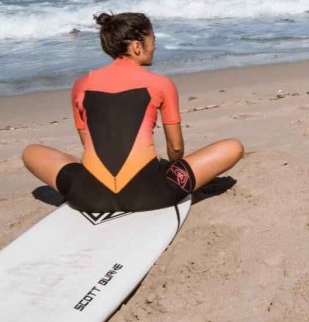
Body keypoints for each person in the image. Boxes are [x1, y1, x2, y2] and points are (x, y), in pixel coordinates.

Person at [22, 13, 242, 213]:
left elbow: (87, 143)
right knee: (233, 147)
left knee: (31, 152)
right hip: (152, 195)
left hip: (88, 197)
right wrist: (165, 168)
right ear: (138, 46)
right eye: (152, 41)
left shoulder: (82, 85)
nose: (154, 47)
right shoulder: (160, 83)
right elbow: (175, 149)